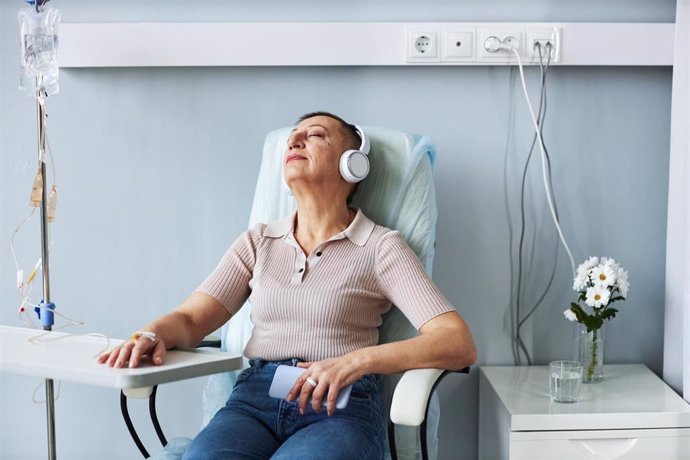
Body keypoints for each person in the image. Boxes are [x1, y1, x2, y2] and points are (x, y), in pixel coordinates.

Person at [98, 112, 477, 459]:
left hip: (338, 408)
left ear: (353, 164)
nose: (295, 142)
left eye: (315, 135)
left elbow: (456, 342)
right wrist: (151, 334)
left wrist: (357, 362)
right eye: (292, 138)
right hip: (253, 402)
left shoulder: (380, 246)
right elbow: (191, 318)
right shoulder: (258, 242)